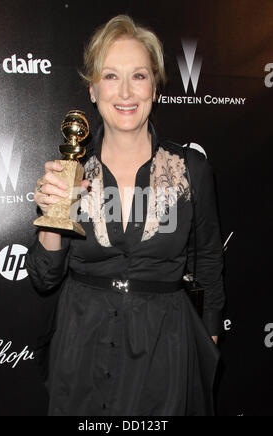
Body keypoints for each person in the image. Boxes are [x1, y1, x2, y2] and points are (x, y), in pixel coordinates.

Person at [26, 14, 225, 416]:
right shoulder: (72, 172)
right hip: (82, 344)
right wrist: (53, 216)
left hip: (165, 348)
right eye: (111, 76)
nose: (126, 91)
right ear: (93, 88)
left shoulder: (190, 169)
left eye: (139, 75)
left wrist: (210, 340)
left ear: (154, 85)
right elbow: (45, 277)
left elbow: (208, 259)